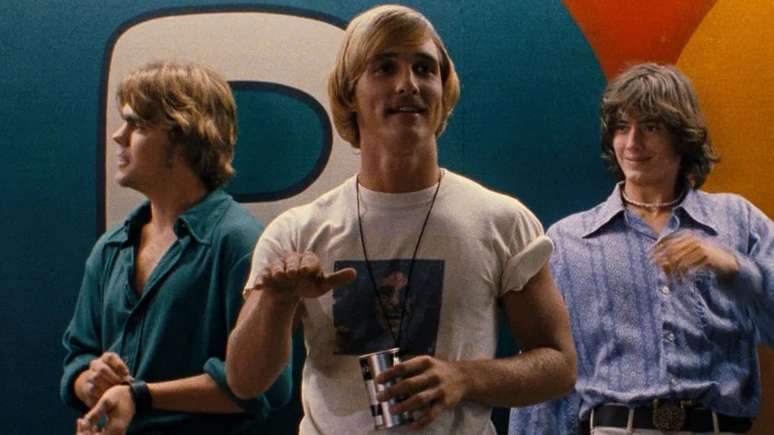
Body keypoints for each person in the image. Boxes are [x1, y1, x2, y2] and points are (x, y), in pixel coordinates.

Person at [226, 5, 576, 434]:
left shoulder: (500, 221)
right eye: (384, 67)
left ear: (443, 91)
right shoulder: (298, 232)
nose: (408, 84)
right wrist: (277, 301)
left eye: (424, 69)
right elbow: (245, 382)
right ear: (349, 94)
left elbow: (560, 366)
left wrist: (464, 377)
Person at [509, 63, 774, 434]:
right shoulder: (569, 242)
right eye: (622, 127)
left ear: (682, 136)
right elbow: (547, 373)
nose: (632, 143)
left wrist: (734, 268)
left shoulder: (738, 221)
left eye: (650, 127)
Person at [60, 61, 291, 434]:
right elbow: (78, 358)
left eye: (137, 124)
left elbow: (264, 389)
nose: (119, 136)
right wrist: (92, 381)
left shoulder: (240, 243)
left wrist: (140, 396)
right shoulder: (111, 247)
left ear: (184, 137)